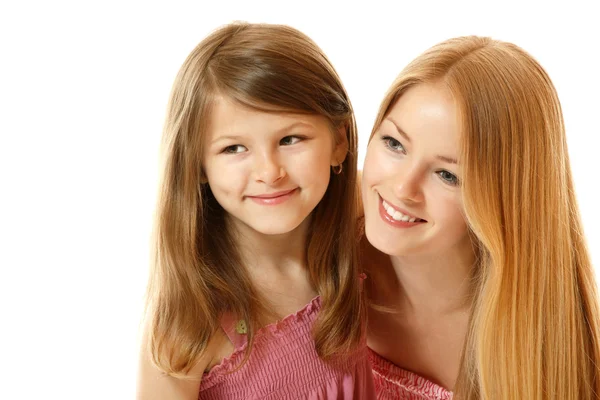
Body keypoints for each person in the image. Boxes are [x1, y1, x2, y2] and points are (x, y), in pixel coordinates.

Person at [136, 22, 375, 399]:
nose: (269, 172)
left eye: (290, 139)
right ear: (197, 165)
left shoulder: (371, 233)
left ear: (339, 141)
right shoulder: (188, 326)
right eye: (233, 148)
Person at [360, 36, 600, 399]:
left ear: (503, 202)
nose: (402, 188)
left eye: (447, 175)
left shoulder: (553, 344)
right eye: (395, 144)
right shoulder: (315, 258)